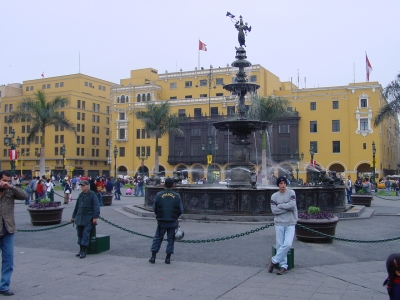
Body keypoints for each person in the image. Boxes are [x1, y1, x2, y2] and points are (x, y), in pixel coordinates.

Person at [0, 170, 28, 296]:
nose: (6, 183)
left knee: (8, 260)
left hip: (8, 229)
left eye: (8, 181)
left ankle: (4, 286)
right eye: (4, 180)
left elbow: (24, 196)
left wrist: (11, 186)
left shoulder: (10, 190)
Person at [149, 178, 183, 264]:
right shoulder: (177, 196)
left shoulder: (159, 195)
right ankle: (168, 258)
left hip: (161, 221)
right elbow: (181, 209)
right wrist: (176, 217)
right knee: (171, 240)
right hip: (172, 221)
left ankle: (153, 257)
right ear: (173, 185)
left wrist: (158, 215)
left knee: (157, 238)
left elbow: (154, 207)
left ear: (164, 185)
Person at [268, 176, 298, 275]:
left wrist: (280, 206)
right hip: (279, 223)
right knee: (280, 245)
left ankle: (273, 261)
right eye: (281, 184)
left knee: (288, 244)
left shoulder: (291, 193)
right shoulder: (274, 196)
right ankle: (283, 266)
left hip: (290, 222)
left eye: (284, 183)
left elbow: (292, 205)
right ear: (278, 185)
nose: (283, 185)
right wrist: (286, 206)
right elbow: (274, 210)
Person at [70, 180, 100, 259]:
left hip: (88, 218)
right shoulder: (80, 195)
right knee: (79, 234)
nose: (82, 187)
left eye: (83, 186)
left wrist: (95, 217)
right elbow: (77, 207)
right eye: (81, 186)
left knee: (85, 234)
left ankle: (84, 250)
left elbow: (96, 207)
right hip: (79, 219)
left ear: (87, 186)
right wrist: (73, 216)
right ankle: (80, 250)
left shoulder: (92, 195)